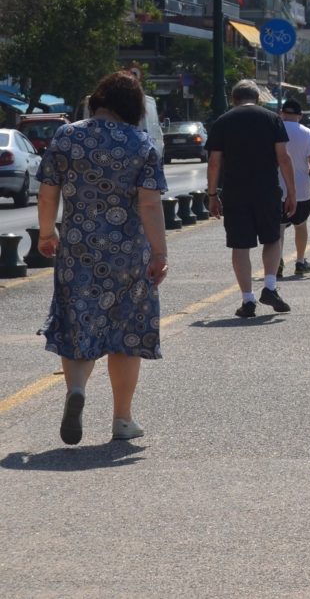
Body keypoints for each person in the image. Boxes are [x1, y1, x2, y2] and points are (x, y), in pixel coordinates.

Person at [37, 71, 169, 444]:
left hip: (77, 248)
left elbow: (48, 193)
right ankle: (122, 419)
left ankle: (76, 389)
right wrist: (159, 253)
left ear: (96, 100)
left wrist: (47, 232)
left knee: (78, 321)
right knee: (125, 333)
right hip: (129, 252)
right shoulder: (141, 143)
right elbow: (150, 203)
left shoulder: (67, 135)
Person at [206, 79, 296, 318]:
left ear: (234, 99)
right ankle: (269, 286)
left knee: (240, 245)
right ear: (257, 98)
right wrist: (292, 192)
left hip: (235, 191)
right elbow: (284, 158)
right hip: (267, 189)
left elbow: (214, 162)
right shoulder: (272, 119)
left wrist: (212, 195)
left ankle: (247, 300)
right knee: (272, 238)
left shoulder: (222, 122)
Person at [277, 99, 310, 276]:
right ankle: (300, 261)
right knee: (301, 224)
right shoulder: (307, 133)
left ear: (282, 113)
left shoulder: (274, 130)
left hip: (278, 186)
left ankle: (277, 262)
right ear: (300, 115)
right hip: (301, 187)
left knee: (279, 226)